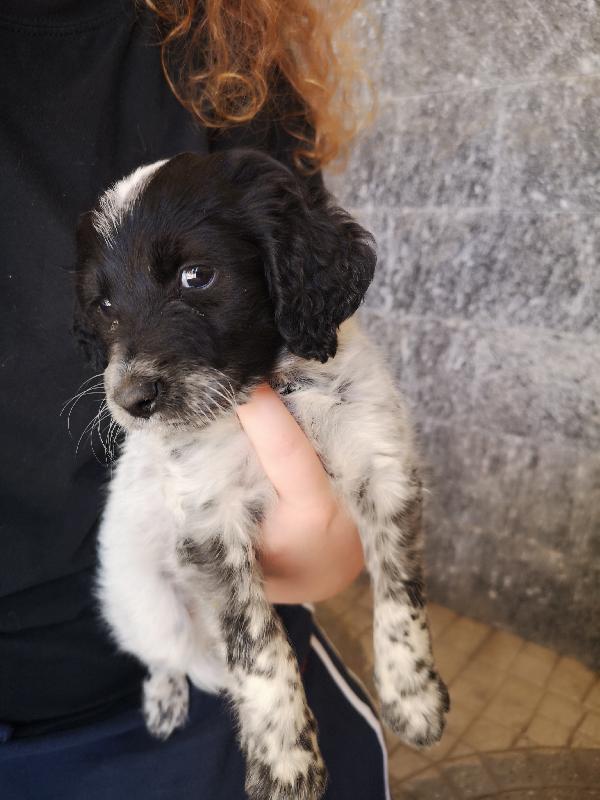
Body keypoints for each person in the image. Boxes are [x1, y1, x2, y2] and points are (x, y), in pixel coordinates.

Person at [0, 1, 390, 797]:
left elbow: (307, 328)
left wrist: (331, 535)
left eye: (191, 277)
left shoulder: (216, 45)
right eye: (103, 312)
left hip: (190, 674)